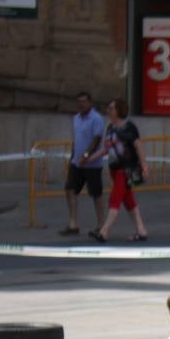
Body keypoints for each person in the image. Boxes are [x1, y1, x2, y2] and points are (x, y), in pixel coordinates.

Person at [87, 97, 148, 243]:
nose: (108, 110)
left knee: (115, 199)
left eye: (111, 108)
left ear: (118, 110)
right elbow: (106, 149)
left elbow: (138, 146)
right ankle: (141, 230)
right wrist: (90, 158)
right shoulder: (110, 128)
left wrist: (144, 165)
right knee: (128, 201)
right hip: (114, 169)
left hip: (126, 169)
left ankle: (104, 232)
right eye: (108, 108)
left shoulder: (129, 127)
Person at [60, 91, 106, 236]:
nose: (81, 104)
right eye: (79, 101)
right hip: (76, 163)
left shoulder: (96, 118)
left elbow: (97, 139)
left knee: (96, 194)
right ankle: (74, 223)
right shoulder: (76, 119)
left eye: (84, 101)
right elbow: (76, 140)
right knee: (69, 189)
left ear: (90, 102)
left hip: (92, 164)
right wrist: (73, 157)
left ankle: (101, 225)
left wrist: (87, 155)